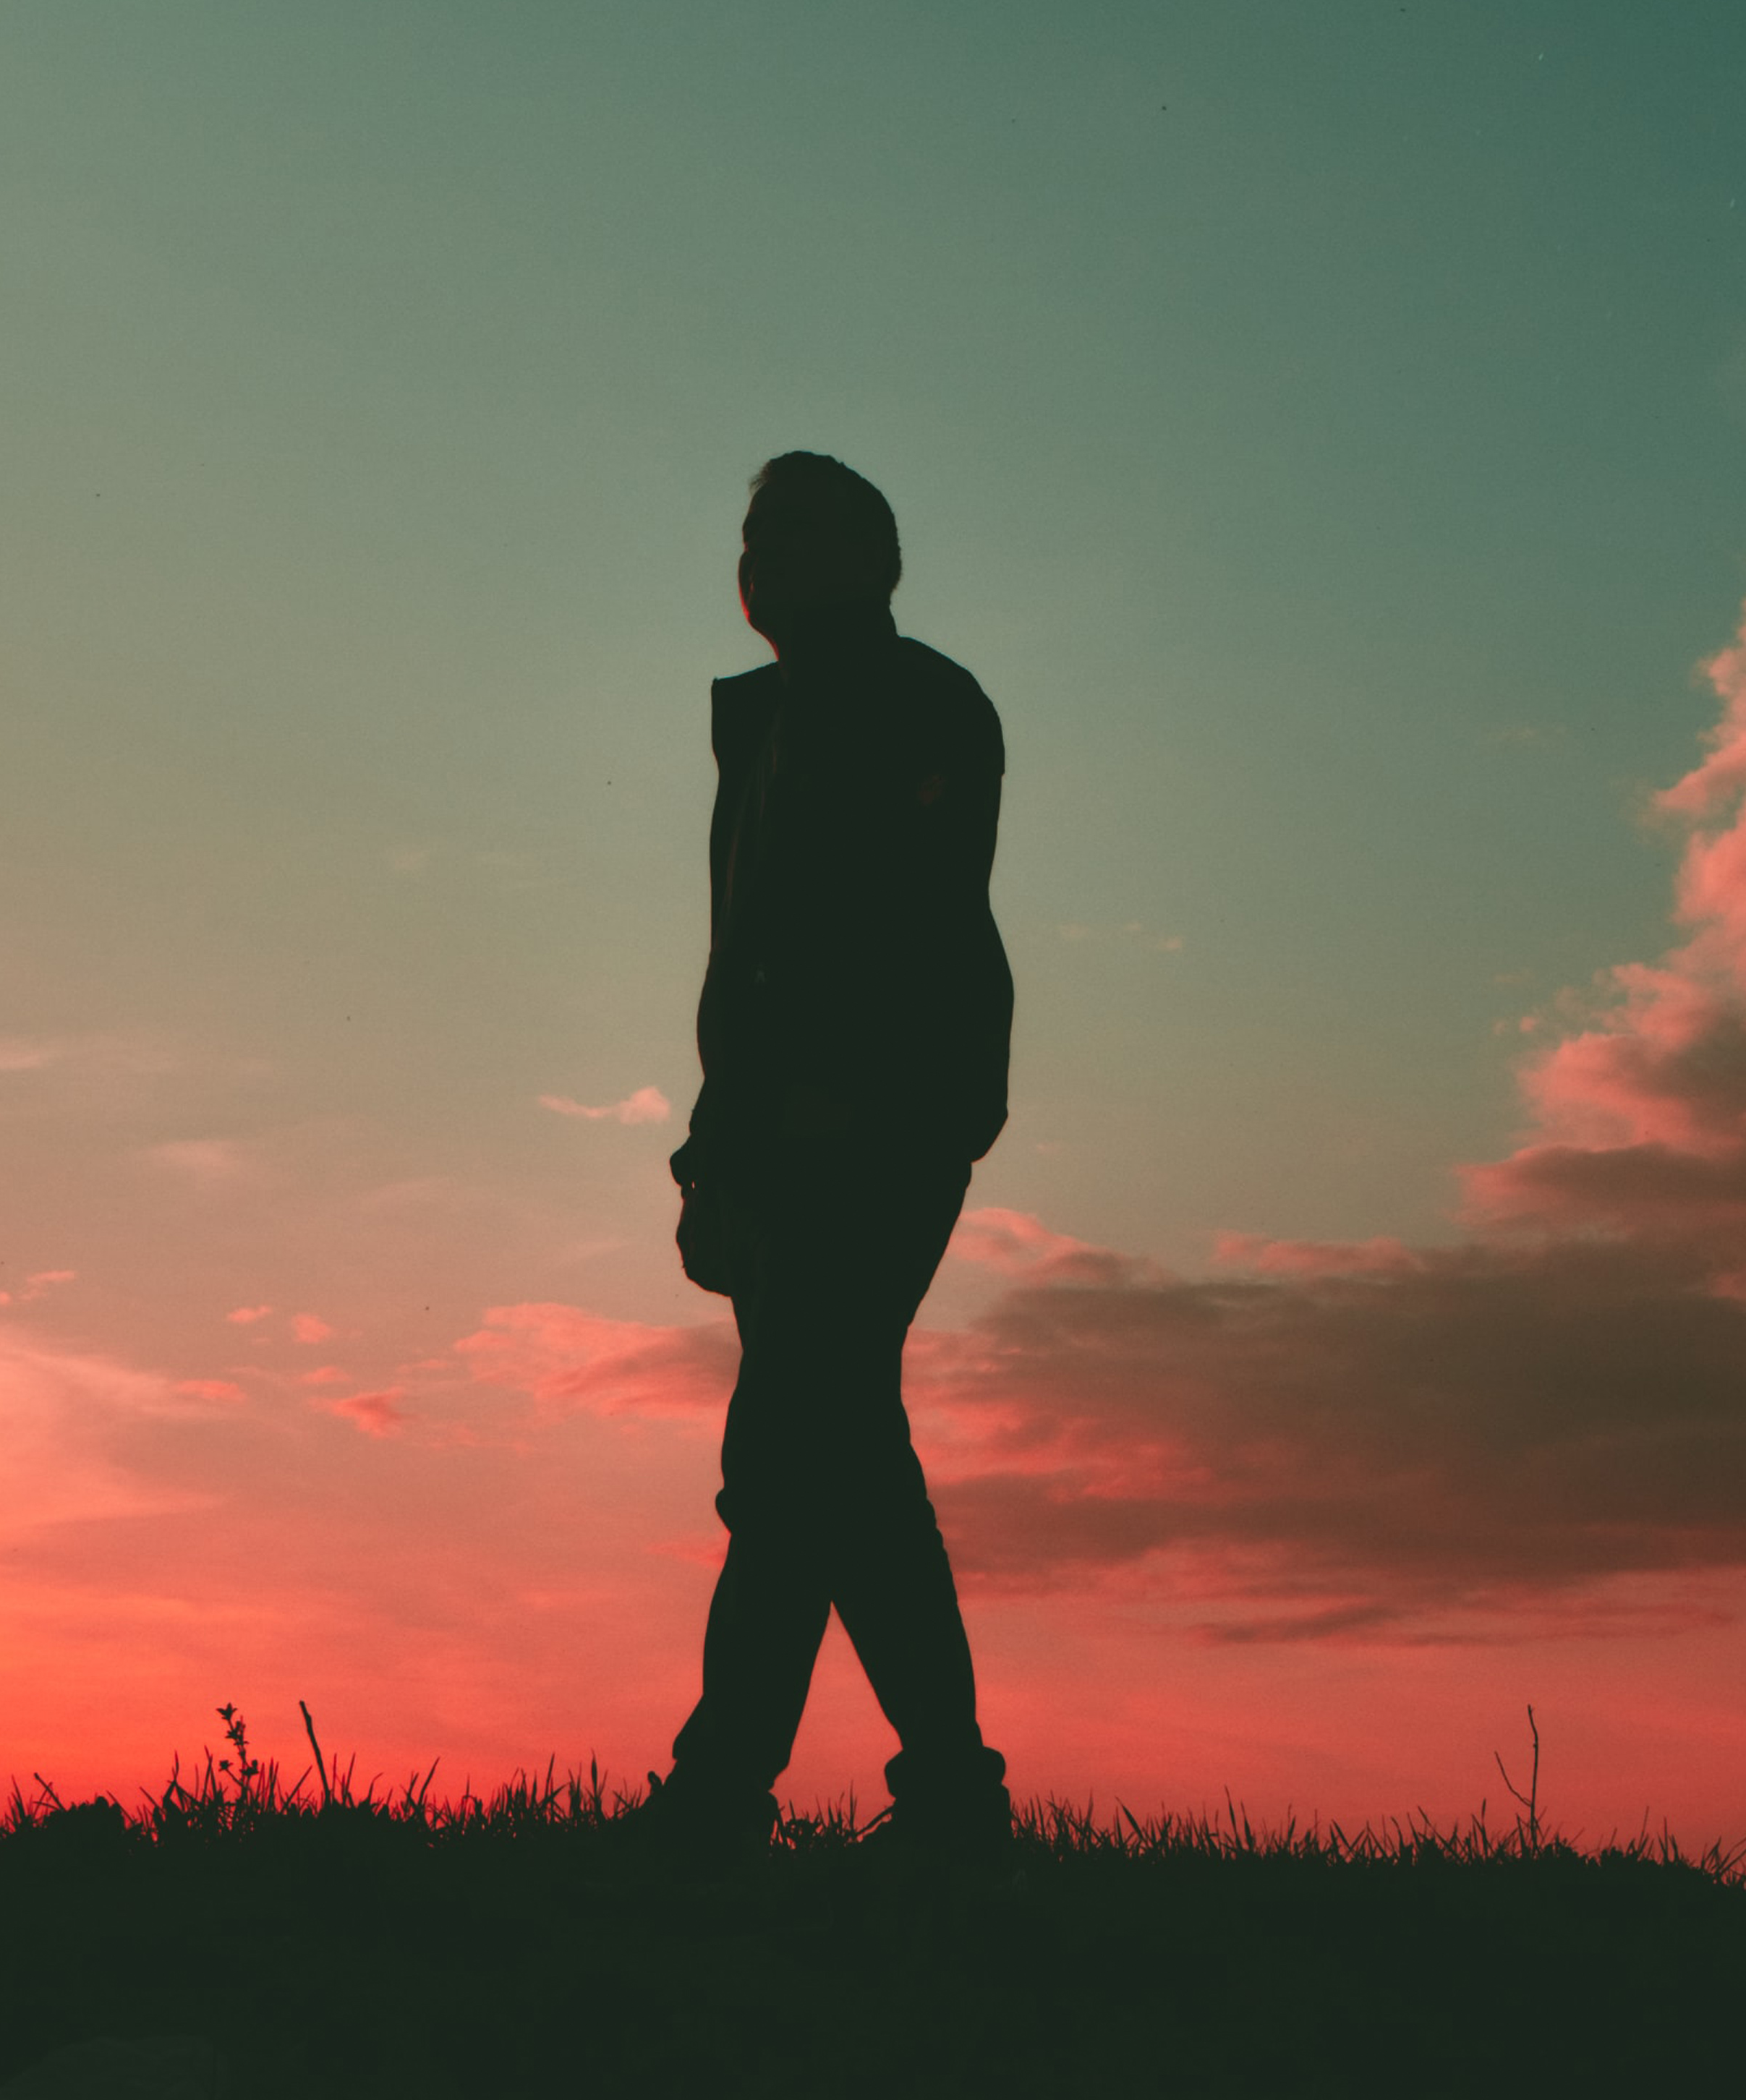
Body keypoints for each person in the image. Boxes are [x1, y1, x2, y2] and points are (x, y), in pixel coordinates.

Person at [636, 452, 1018, 1864]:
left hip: (874, 1135)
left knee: (804, 1453)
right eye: (751, 539)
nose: (759, 563)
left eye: (787, 538)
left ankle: (733, 1792)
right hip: (788, 1141)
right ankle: (921, 1799)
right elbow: (754, 968)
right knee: (828, 1458)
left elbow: (882, 934)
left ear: (866, 559)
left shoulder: (912, 706)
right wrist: (718, 1145)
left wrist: (809, 1124)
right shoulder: (774, 719)